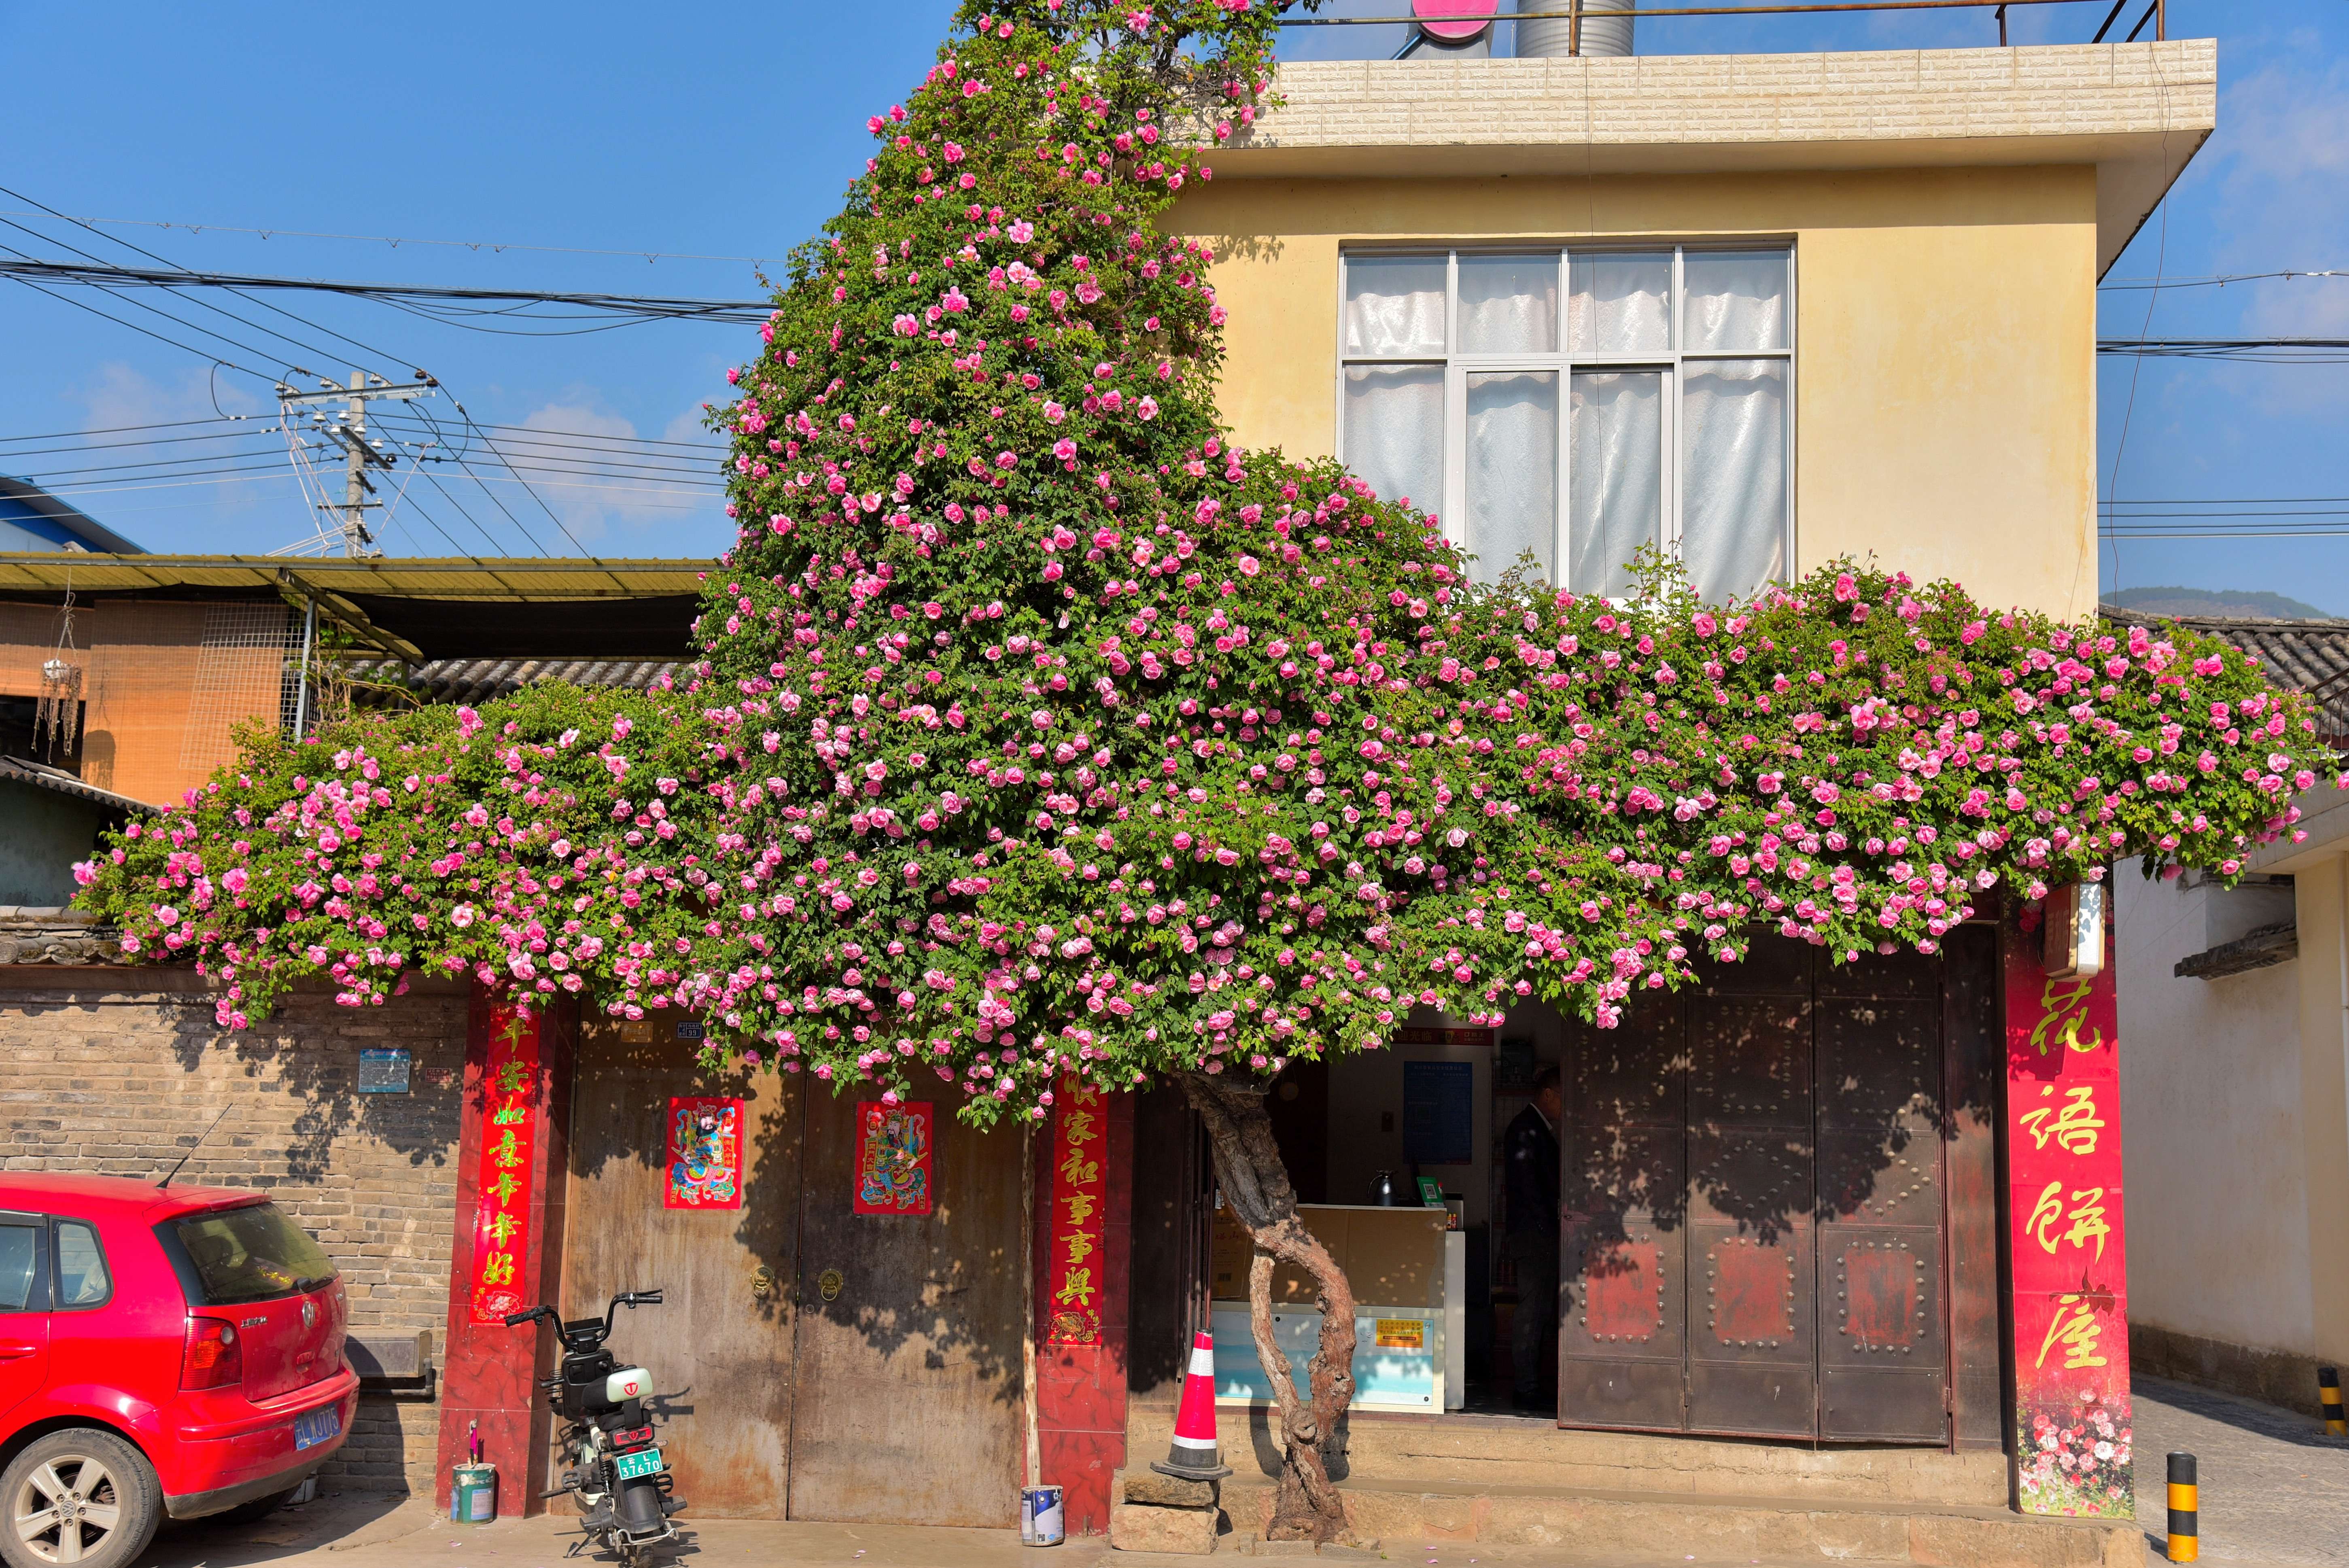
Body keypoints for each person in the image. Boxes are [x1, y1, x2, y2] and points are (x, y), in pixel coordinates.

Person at [1501, 1066, 1562, 1411]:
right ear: (1548, 1094)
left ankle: (1532, 1384)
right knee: (1532, 1309)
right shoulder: (1526, 1128)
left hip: (1537, 1232)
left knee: (1539, 1310)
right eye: (1562, 1096)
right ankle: (1525, 1387)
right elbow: (1529, 1189)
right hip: (1534, 1234)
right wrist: (1546, 1227)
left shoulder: (1533, 1127)